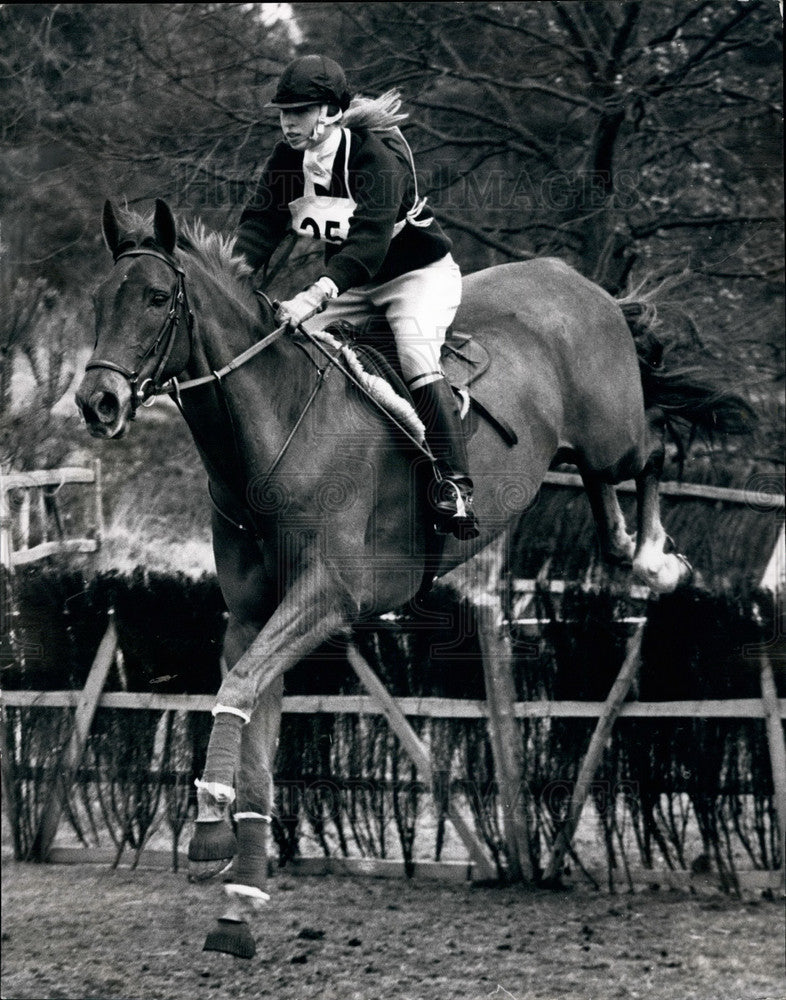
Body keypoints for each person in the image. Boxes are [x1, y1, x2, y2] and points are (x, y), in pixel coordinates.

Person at [234, 54, 479, 540]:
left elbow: (368, 244)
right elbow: (260, 225)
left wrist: (316, 293)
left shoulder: (373, 157)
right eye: (283, 112)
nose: (288, 122)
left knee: (415, 358)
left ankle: (454, 486)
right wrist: (232, 274)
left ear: (329, 113)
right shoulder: (288, 160)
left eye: (298, 111)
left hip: (416, 277)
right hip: (356, 282)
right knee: (290, 348)